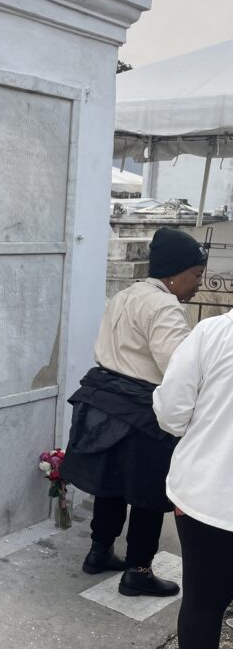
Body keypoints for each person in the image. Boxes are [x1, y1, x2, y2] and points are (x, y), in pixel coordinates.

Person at [60, 226, 207, 595]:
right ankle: (137, 572)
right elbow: (178, 368)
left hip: (102, 398)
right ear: (173, 275)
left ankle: (99, 552)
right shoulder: (165, 307)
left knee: (110, 487)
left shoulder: (125, 295)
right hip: (141, 410)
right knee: (147, 496)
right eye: (195, 276)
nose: (197, 285)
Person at [153, 306, 233, 649]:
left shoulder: (213, 334)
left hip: (209, 494)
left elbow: (171, 412)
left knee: (204, 602)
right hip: (209, 495)